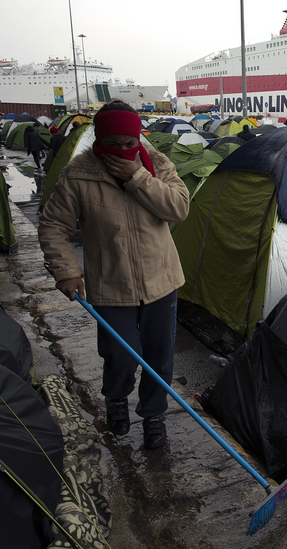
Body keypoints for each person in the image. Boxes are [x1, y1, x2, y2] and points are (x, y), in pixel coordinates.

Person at [38, 99, 189, 450]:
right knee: (120, 355)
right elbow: (53, 225)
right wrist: (67, 271)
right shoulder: (79, 173)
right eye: (113, 144)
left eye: (129, 143)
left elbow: (179, 208)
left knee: (159, 356)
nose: (122, 151)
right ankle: (116, 398)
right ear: (99, 141)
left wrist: (137, 178)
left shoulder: (157, 165)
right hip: (110, 283)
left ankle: (154, 415)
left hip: (162, 280)